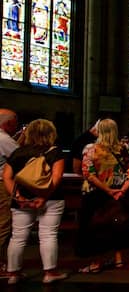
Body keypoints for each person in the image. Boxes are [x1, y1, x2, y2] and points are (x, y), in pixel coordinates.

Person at [4, 119, 68, 284]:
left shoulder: (18, 152)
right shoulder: (55, 152)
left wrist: (19, 197)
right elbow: (57, 177)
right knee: (48, 235)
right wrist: (43, 197)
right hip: (51, 199)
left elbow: (7, 177)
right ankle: (49, 273)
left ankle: (13, 274)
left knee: (17, 237)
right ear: (51, 134)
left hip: (22, 200)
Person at [76, 119, 129, 274]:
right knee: (117, 224)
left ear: (100, 131)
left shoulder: (91, 149)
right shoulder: (124, 148)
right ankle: (118, 259)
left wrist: (108, 190)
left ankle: (96, 263)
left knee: (96, 226)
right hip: (119, 193)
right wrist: (122, 189)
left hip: (96, 193)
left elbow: (89, 174)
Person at [0, 109, 18, 276]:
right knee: (3, 224)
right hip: (1, 185)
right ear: (7, 123)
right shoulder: (4, 139)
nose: (17, 125)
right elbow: (20, 158)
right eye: (15, 122)